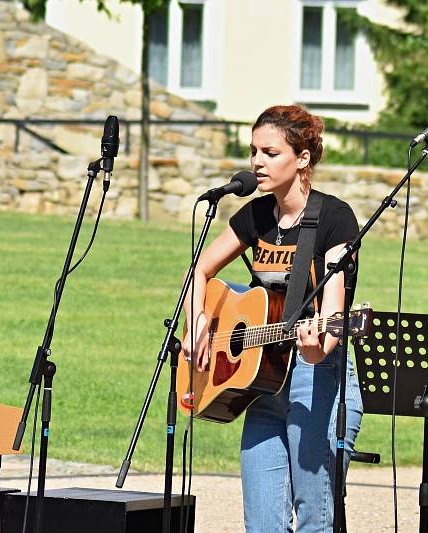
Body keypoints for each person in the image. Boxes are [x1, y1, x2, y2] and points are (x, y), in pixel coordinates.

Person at [181, 104, 363, 532]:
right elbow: (200, 270)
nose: (256, 162)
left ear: (302, 159)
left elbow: (335, 307)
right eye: (253, 151)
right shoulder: (256, 214)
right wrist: (199, 320)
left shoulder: (334, 218)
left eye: (270, 152)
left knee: (315, 521)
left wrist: (321, 345)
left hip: (317, 378)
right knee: (262, 524)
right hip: (262, 383)